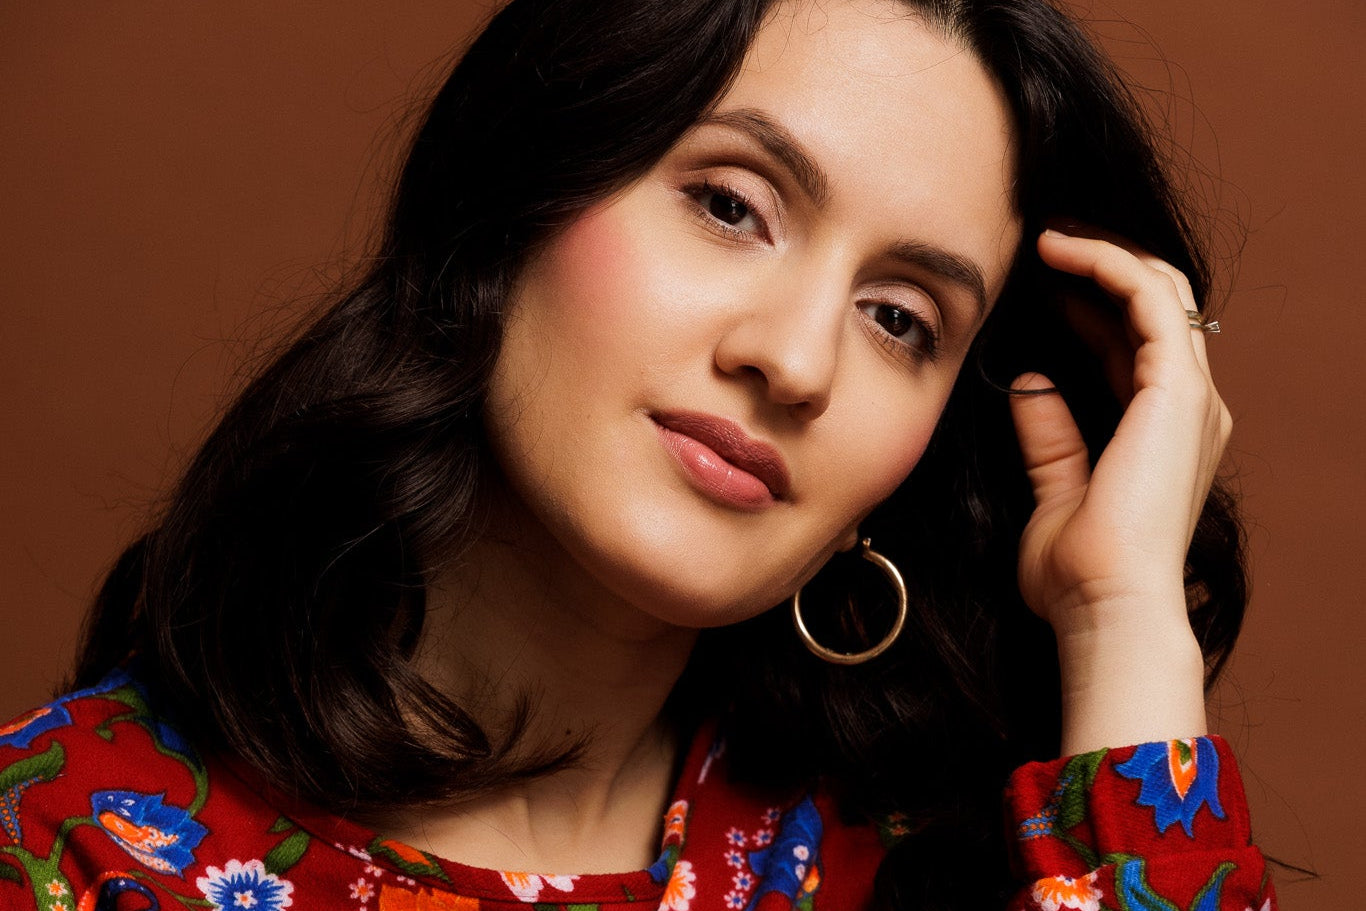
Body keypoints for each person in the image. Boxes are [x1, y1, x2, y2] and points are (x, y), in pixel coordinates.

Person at [0, 0, 1275, 909]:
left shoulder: (926, 858)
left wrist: (1123, 628)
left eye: (901, 319)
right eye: (731, 205)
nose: (796, 361)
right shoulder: (67, 850)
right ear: (517, 199)